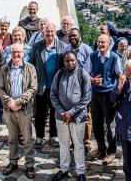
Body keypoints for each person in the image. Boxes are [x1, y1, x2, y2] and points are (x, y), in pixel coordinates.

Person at [0, 43, 37, 179]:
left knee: (27, 139)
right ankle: (13, 162)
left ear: (23, 53)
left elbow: (33, 88)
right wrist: (10, 102)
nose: (16, 54)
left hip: (24, 109)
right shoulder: (4, 69)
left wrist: (19, 102)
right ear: (10, 53)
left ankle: (29, 164)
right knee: (12, 138)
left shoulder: (30, 68)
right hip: (9, 109)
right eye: (13, 52)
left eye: (19, 52)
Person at [50, 51, 91, 181]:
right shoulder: (60, 74)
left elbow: (86, 97)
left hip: (78, 117)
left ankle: (80, 172)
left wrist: (71, 112)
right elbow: (53, 95)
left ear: (76, 60)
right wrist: (63, 112)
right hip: (61, 117)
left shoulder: (82, 74)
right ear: (64, 62)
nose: (70, 62)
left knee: (78, 144)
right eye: (67, 61)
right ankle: (64, 169)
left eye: (72, 60)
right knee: (63, 143)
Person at [84, 34, 122, 165]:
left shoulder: (114, 57)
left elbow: (119, 76)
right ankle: (101, 149)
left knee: (111, 125)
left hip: (109, 95)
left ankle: (111, 152)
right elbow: (85, 74)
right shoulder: (93, 56)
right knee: (97, 123)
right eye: (99, 42)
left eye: (103, 42)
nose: (100, 45)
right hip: (95, 94)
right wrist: (92, 80)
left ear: (109, 44)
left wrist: (116, 93)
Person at [28, 23, 67, 149]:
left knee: (55, 112)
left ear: (55, 32)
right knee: (40, 113)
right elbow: (31, 64)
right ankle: (39, 137)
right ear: (43, 33)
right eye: (47, 31)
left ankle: (53, 136)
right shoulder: (37, 46)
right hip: (41, 86)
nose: (49, 34)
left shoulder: (62, 46)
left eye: (51, 31)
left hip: (56, 87)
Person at [63, 28, 93, 153]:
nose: (72, 38)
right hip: (70, 87)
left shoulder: (87, 50)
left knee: (85, 115)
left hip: (84, 86)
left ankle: (86, 142)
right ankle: (73, 142)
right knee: (71, 114)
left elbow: (90, 69)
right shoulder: (66, 50)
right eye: (70, 36)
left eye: (74, 35)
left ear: (79, 36)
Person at [111, 60, 131, 181]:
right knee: (127, 160)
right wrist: (118, 88)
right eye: (128, 72)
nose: (129, 75)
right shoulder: (124, 83)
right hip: (124, 126)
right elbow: (112, 99)